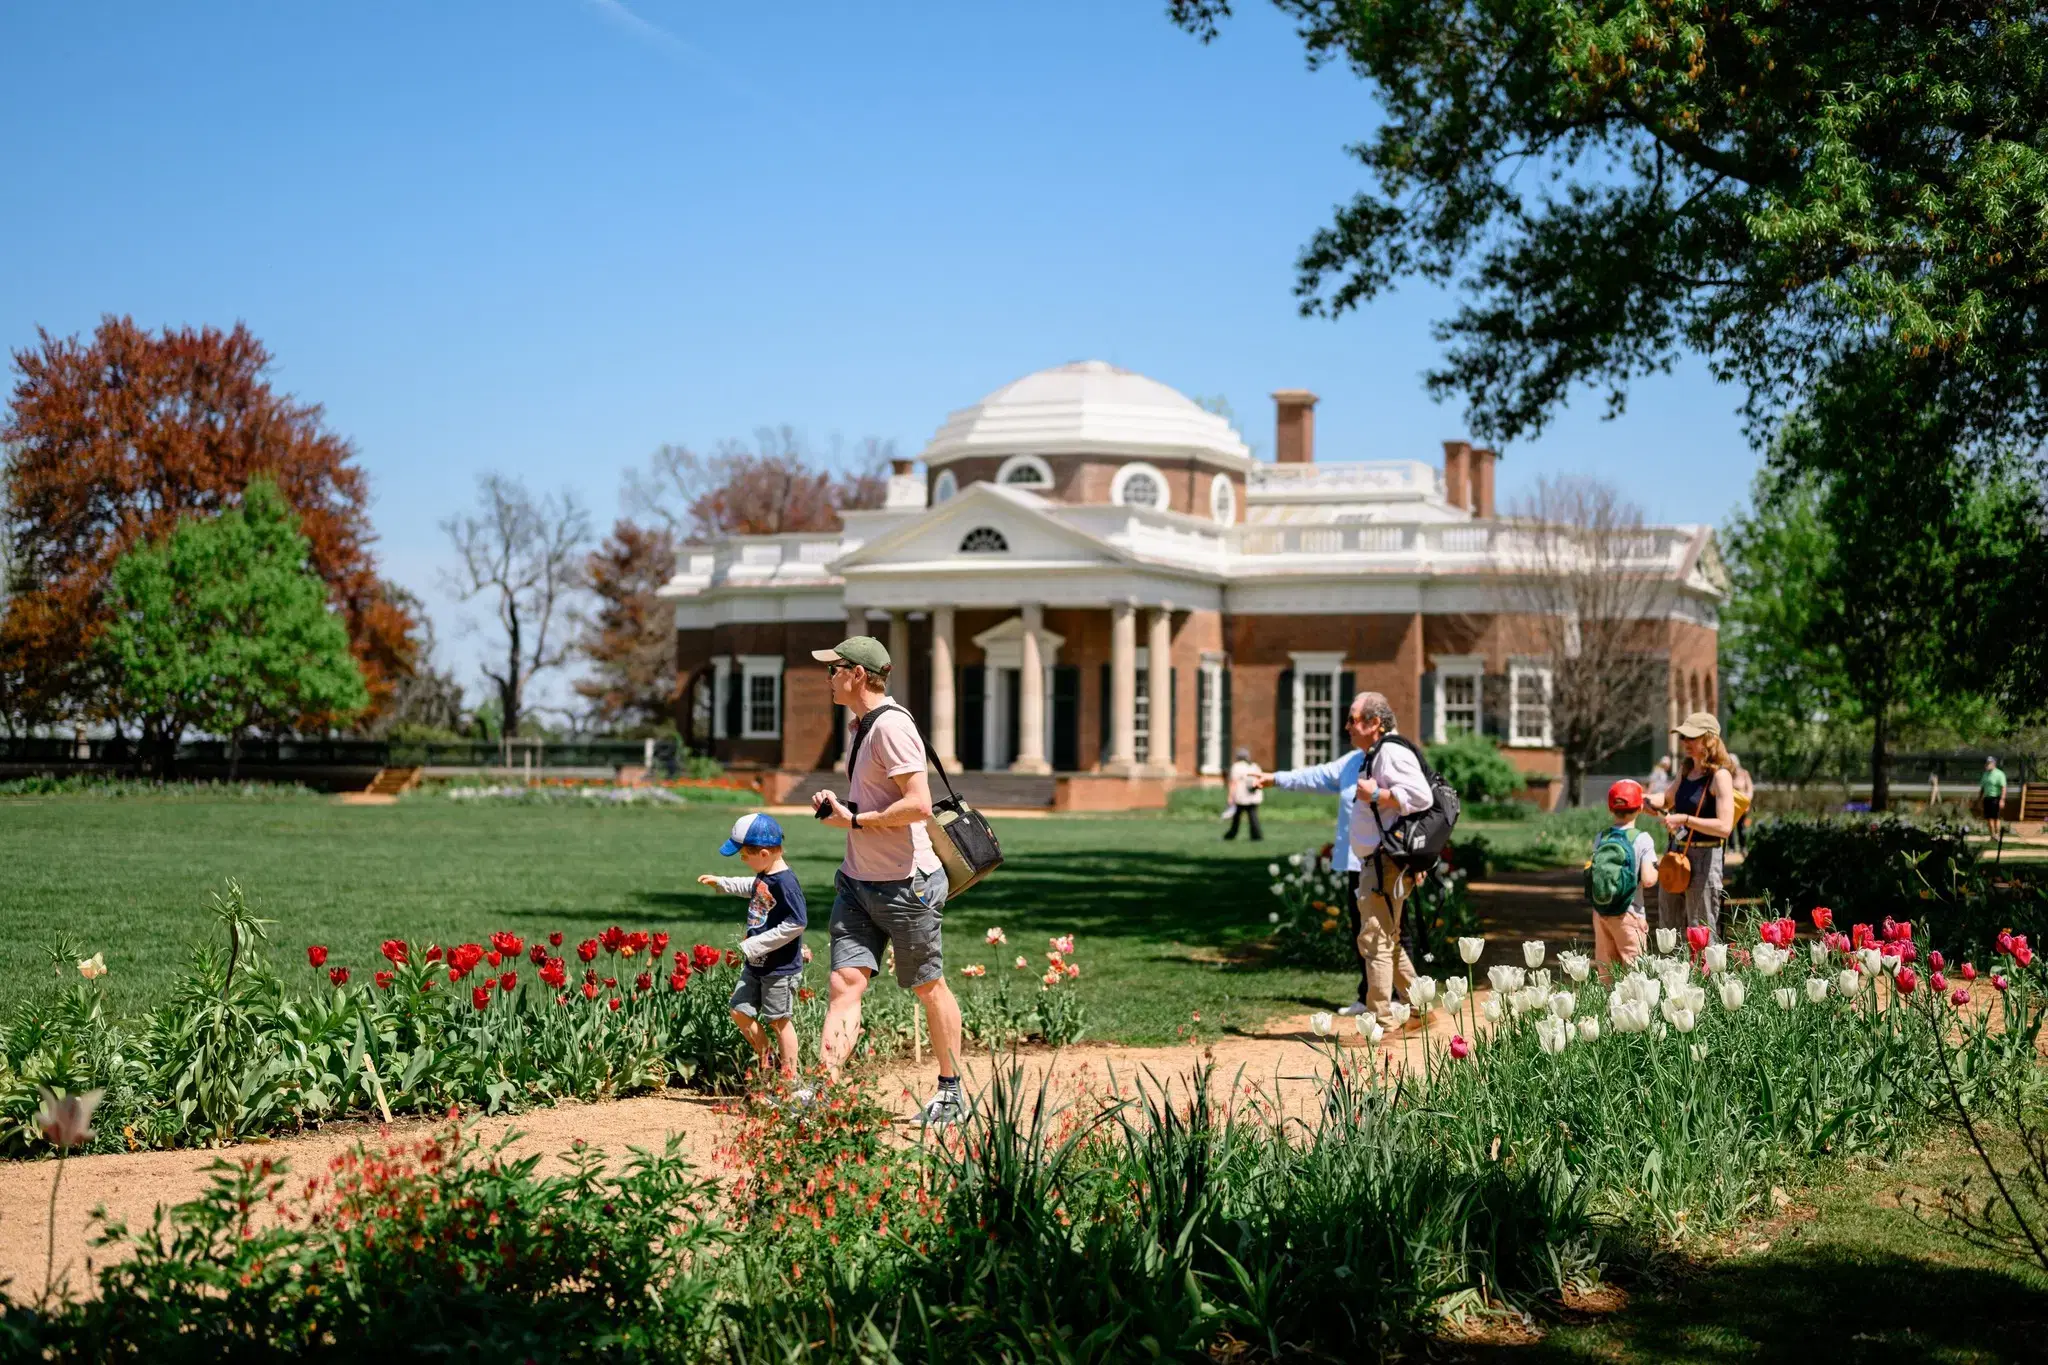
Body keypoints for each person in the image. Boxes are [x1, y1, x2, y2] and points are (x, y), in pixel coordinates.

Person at [807, 634, 965, 1126]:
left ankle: (951, 1091)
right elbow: (878, 801)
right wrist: (844, 809)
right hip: (858, 879)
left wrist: (854, 822)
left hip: (905, 883)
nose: (828, 677)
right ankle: (825, 1091)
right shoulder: (861, 727)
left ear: (857, 674)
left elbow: (918, 804)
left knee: (928, 986)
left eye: (834, 669)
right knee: (844, 982)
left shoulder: (891, 727)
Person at [1261, 691, 1432, 1028]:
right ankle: (1416, 1006)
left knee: (1378, 939)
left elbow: (1420, 799)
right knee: (1382, 938)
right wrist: (1275, 779)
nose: (1347, 726)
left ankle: (1381, 1020)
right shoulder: (1361, 759)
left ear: (1374, 723)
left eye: (1353, 719)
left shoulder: (1391, 754)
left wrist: (1379, 795)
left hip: (1387, 861)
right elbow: (1317, 776)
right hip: (1368, 861)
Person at [697, 812, 806, 1083]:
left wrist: (754, 944)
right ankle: (766, 1058)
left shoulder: (786, 883)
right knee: (739, 1010)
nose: (742, 860)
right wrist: (722, 882)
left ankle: (789, 1081)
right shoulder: (765, 875)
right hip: (756, 963)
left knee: (779, 1021)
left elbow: (797, 922)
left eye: (744, 855)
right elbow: (754, 888)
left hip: (779, 967)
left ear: (765, 853)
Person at [1648, 711, 1736, 942]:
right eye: (1683, 737)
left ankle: (1704, 978)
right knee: (1669, 929)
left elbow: (1724, 827)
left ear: (1709, 739)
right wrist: (1643, 799)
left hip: (1706, 856)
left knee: (1701, 932)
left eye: (1691, 737)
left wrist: (1685, 819)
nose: (1685, 742)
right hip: (1676, 853)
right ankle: (1673, 976)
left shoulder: (1720, 776)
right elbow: (1667, 800)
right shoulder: (1686, 770)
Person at [1588, 780, 1656, 977]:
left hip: (1601, 912)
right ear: (1640, 807)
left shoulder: (1602, 837)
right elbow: (1649, 879)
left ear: (1611, 808)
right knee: (1636, 972)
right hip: (1629, 912)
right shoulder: (1642, 839)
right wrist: (1656, 866)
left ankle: (1607, 1007)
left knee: (1606, 972)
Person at [1224, 747, 1264, 841]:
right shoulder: (1255, 766)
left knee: (1237, 817)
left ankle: (1232, 834)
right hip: (1254, 795)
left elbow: (1233, 783)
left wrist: (1230, 796)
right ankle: (1256, 835)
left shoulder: (1237, 766)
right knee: (1252, 816)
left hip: (1241, 797)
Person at [1727, 753, 1755, 854]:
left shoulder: (1744, 773)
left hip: (1742, 805)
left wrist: (1747, 799)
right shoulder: (1727, 774)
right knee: (1730, 826)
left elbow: (1750, 788)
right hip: (1730, 805)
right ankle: (1731, 847)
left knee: (1742, 826)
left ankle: (1743, 846)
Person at [1982, 756, 2008, 841]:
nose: (1987, 765)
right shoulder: (1985, 774)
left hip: (1996, 798)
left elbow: (2003, 787)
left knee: (1996, 818)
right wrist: (1979, 799)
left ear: (1994, 764)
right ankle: (1992, 835)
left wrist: (2002, 800)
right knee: (1988, 818)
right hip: (1987, 798)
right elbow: (1982, 787)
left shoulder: (1999, 774)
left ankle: (1997, 834)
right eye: (1987, 763)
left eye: (1989, 763)